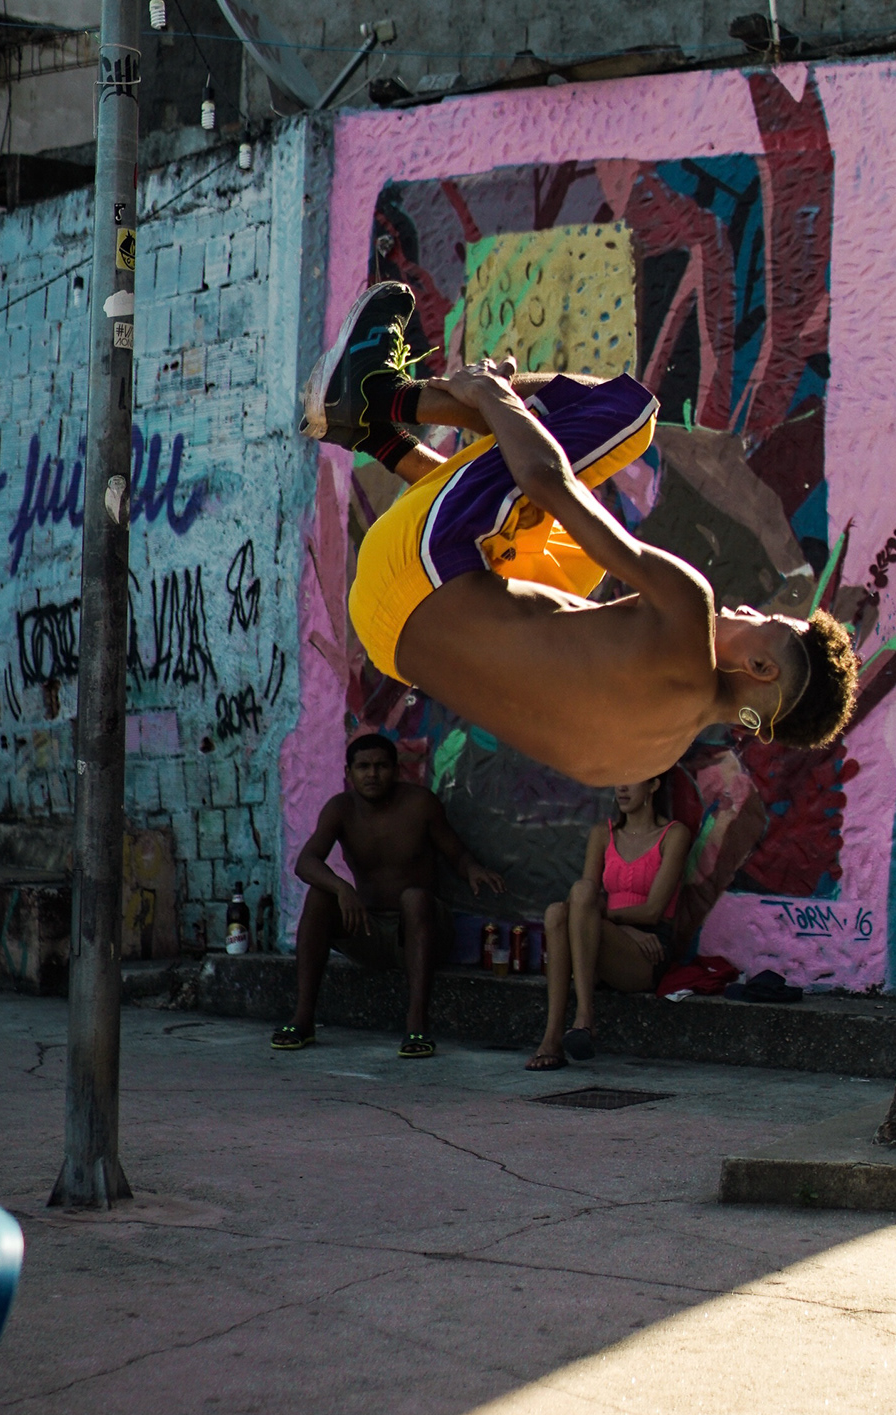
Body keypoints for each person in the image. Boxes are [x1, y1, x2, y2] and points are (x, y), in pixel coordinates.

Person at [302, 284, 861, 787]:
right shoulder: (645, 761)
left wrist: (496, 395)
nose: (747, 610)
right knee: (571, 561)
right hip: (384, 632)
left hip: (418, 563)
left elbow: (545, 483)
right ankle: (375, 437)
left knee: (626, 413)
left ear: (761, 669)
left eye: (764, 621)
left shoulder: (690, 611)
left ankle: (380, 395)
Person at [277, 728, 505, 1059]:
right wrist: (341, 887)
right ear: (348, 773)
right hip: (368, 929)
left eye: (381, 766)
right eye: (363, 767)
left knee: (413, 897)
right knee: (319, 896)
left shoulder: (420, 804)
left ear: (396, 770)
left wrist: (474, 870)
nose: (373, 774)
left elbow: (456, 853)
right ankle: (303, 1018)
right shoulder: (340, 809)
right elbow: (306, 862)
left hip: (421, 929)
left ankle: (416, 1023)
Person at [529, 771, 692, 1071]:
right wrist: (623, 926)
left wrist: (618, 923)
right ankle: (554, 1036)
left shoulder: (673, 835)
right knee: (558, 911)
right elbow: (583, 902)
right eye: (619, 779)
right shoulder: (602, 834)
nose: (621, 787)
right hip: (607, 939)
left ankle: (583, 1017)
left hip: (648, 949)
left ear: (654, 785)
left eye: (631, 779)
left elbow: (653, 910)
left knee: (574, 904)